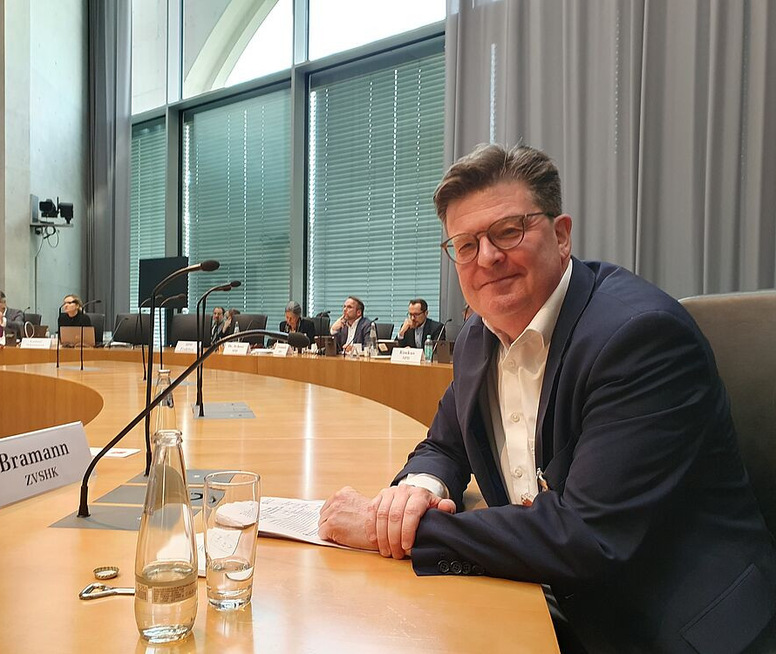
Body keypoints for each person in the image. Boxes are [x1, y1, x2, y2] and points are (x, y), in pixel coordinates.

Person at [317, 143, 776, 653]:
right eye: (465, 244)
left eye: (508, 231)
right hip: (543, 598)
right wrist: (413, 494)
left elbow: (586, 537)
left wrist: (401, 534)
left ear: (561, 236)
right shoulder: (478, 337)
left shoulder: (639, 337)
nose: (487, 257)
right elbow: (446, 446)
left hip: (668, 625)